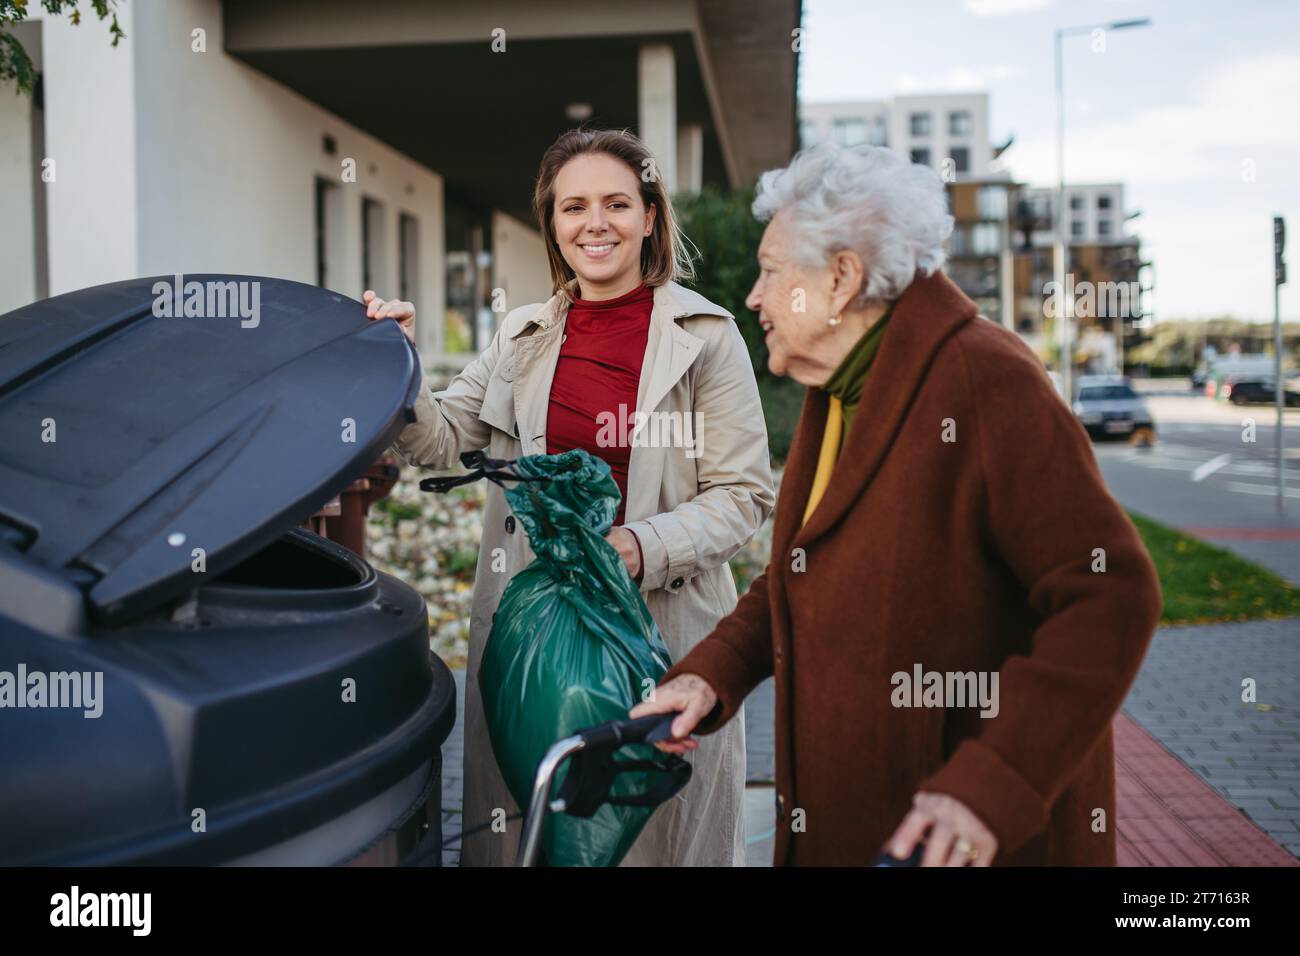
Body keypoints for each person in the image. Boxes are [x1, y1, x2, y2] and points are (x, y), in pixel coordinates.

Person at [631, 142, 1162, 866]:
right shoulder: (842, 387)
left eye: (770, 272)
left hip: (956, 840)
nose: (752, 297)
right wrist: (710, 673)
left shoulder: (984, 377)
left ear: (841, 279)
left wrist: (992, 784)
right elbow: (801, 572)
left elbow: (1110, 596)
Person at [365, 128, 774, 866]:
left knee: (637, 828)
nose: (595, 223)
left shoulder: (705, 337)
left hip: (659, 629)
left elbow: (742, 494)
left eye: (617, 203)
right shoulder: (523, 335)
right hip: (537, 630)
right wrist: (396, 362)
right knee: (538, 824)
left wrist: (637, 547)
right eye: (573, 206)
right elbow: (443, 439)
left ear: (650, 216)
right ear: (551, 223)